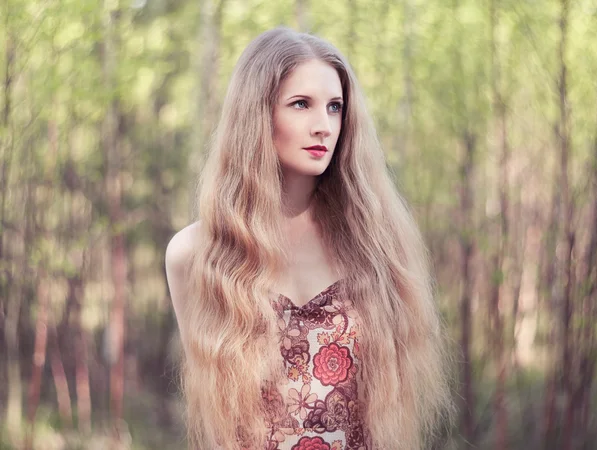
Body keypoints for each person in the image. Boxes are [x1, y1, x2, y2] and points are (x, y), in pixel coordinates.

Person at [165, 27, 453, 450]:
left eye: (335, 107)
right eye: (301, 104)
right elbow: (215, 419)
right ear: (257, 114)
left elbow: (393, 408)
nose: (324, 126)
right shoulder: (196, 255)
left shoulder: (377, 248)